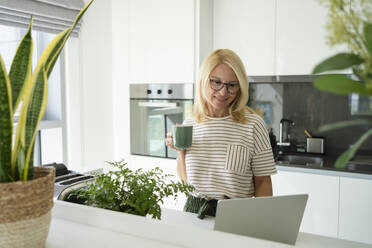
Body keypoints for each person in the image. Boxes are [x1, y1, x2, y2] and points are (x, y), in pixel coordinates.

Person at [165, 49, 277, 219]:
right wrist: (180, 151)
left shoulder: (253, 125)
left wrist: (261, 224)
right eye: (216, 82)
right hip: (193, 214)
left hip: (236, 216)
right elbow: (187, 184)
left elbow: (263, 182)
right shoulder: (190, 125)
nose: (224, 92)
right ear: (203, 80)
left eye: (232, 85)